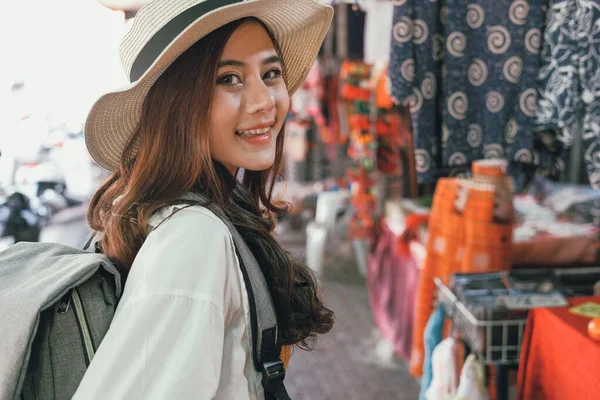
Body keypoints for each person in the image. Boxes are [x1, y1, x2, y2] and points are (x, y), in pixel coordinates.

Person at [73, 0, 334, 398]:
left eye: (271, 73)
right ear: (177, 103)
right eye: (229, 78)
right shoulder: (194, 238)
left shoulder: (209, 214)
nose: (265, 101)